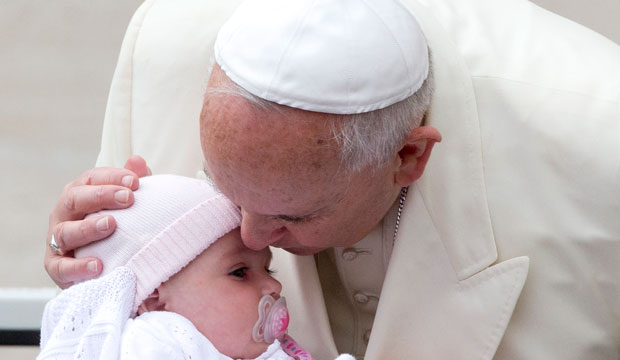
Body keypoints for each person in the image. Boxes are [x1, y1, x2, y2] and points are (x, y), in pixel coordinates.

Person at [44, 0, 620, 359]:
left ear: (408, 159)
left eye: (292, 214)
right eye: (227, 189)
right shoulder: (164, 50)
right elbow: (126, 306)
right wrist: (88, 259)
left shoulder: (601, 145)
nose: (249, 236)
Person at [39, 174, 337, 360]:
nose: (274, 286)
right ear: (154, 300)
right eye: (239, 272)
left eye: (267, 269)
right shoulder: (155, 343)